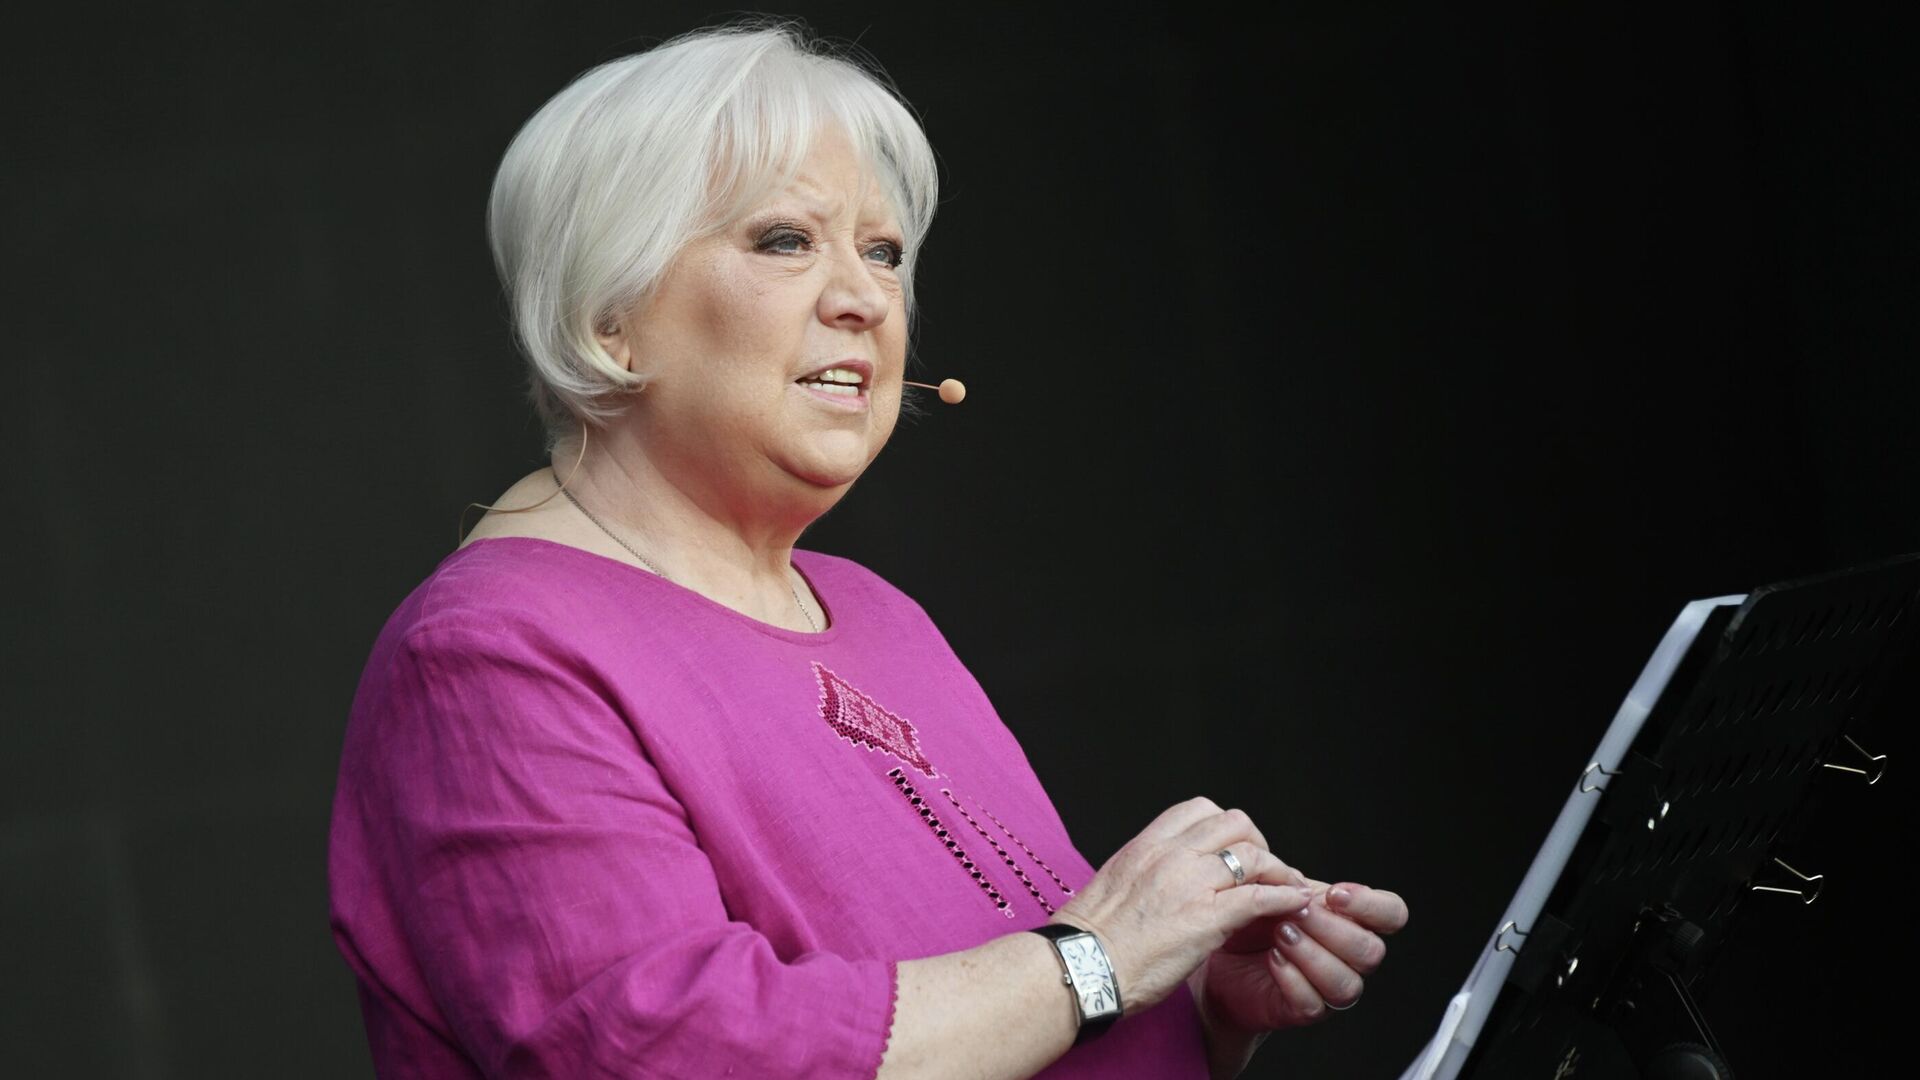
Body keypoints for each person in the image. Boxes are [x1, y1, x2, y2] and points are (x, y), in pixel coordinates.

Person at [327, 19, 1408, 1079]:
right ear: (607, 317)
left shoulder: (876, 612)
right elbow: (671, 1054)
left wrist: (1192, 1013)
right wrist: (1103, 961)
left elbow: (1030, 1008)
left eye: (883, 252)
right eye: (786, 240)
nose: (864, 299)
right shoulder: (486, 654)